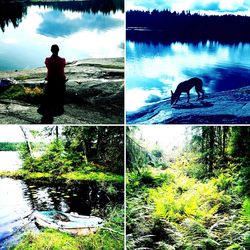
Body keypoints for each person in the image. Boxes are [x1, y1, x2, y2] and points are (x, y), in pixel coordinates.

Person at [38, 44, 66, 121]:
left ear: (51, 50)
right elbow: (62, 67)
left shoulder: (47, 60)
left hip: (51, 81)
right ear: (58, 50)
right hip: (60, 81)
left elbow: (49, 67)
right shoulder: (62, 60)